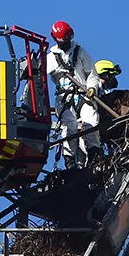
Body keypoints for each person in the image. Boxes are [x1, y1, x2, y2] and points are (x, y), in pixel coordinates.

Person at [47, 20, 100, 165]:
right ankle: (70, 161)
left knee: (92, 122)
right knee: (69, 128)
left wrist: (92, 88)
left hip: (83, 94)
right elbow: (40, 79)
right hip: (64, 98)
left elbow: (92, 74)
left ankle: (95, 155)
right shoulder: (50, 59)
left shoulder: (80, 52)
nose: (66, 42)